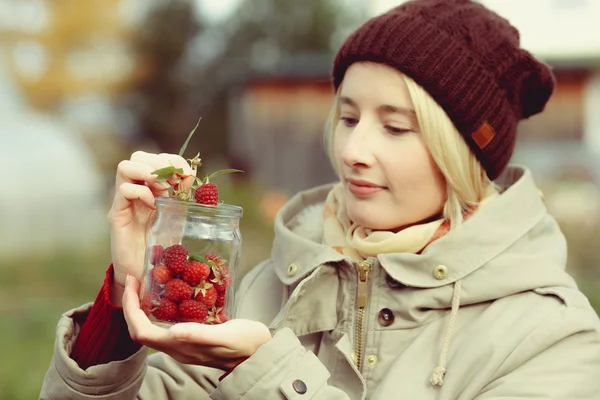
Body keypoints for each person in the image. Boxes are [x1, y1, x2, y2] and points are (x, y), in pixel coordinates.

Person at [40, 0, 600, 399]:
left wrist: (266, 375)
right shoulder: (267, 288)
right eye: (348, 117)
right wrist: (122, 300)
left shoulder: (550, 339)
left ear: (465, 156)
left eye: (397, 128)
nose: (354, 149)